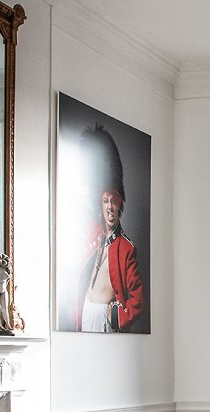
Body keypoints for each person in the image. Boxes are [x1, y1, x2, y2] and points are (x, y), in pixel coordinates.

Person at [74, 125, 145, 333]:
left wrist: (117, 317)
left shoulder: (125, 248)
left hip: (106, 319)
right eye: (105, 202)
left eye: (113, 202)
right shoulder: (91, 237)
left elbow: (137, 300)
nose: (109, 207)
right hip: (87, 313)